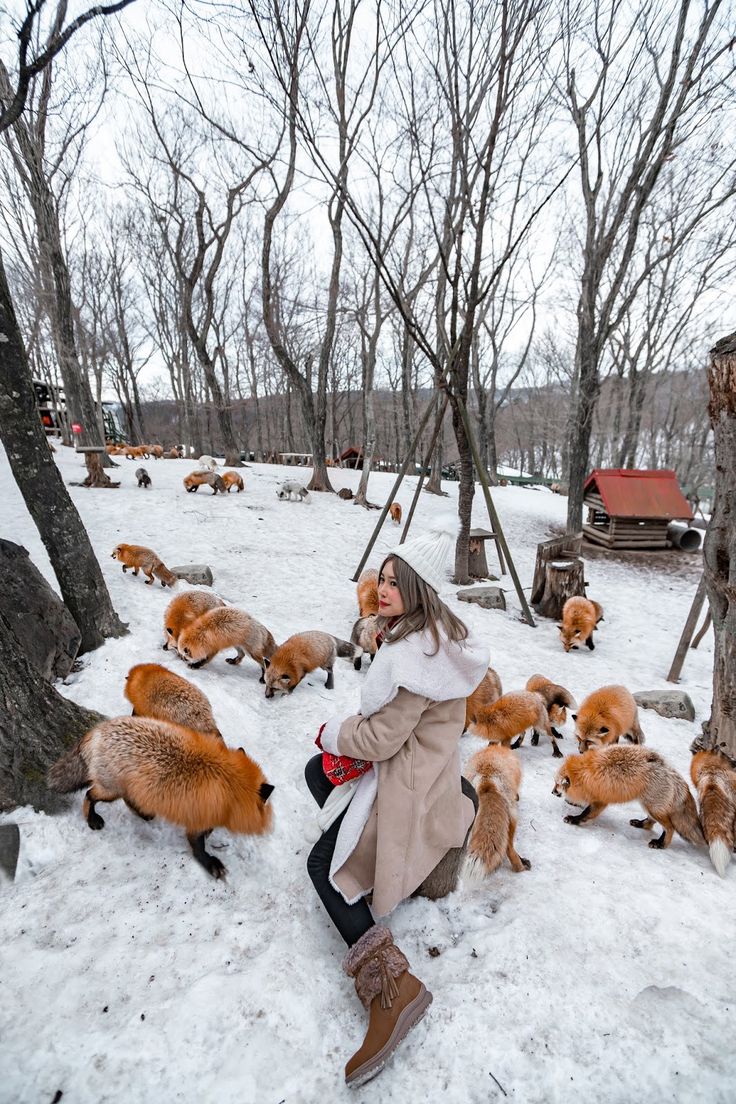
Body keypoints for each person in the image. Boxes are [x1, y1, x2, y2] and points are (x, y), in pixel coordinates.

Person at [304, 519, 489, 1087]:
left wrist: (333, 733)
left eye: (394, 582)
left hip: (407, 780)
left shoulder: (412, 657)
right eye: (381, 579)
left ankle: (392, 986)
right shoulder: (439, 637)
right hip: (431, 767)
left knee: (321, 866)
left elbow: (382, 739)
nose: (382, 590)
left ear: (419, 589)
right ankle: (366, 855)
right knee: (318, 775)